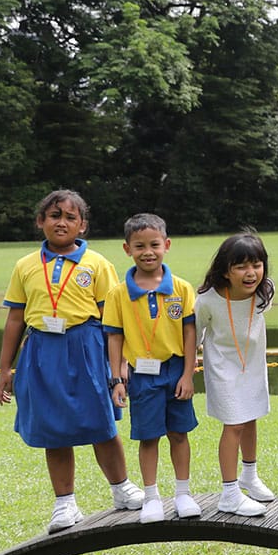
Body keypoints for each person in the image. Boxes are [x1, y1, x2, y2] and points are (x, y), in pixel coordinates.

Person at [0, 189, 144, 533]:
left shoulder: (98, 264)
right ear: (40, 222)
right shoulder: (25, 266)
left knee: (101, 423)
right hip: (41, 351)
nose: (61, 222)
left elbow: (114, 321)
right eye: (54, 215)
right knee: (53, 429)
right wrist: (5, 368)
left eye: (70, 217)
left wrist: (119, 367)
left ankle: (121, 488)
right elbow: (15, 319)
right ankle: (65, 503)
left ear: (83, 226)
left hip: (87, 347)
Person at [104, 213, 200, 524]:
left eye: (154, 244)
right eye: (139, 246)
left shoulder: (182, 289)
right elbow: (115, 338)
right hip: (142, 375)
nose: (148, 251)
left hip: (175, 371)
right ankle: (152, 496)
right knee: (148, 436)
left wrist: (188, 373)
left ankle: (183, 493)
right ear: (126, 249)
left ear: (167, 245)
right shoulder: (118, 294)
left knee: (179, 433)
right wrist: (117, 379)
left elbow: (189, 334)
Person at [194, 231, 278, 517]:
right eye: (241, 266)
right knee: (234, 424)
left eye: (256, 264)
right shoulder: (207, 299)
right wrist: (190, 360)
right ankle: (229, 493)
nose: (250, 272)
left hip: (252, 366)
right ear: (225, 271)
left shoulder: (266, 292)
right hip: (222, 368)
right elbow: (195, 330)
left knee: (250, 416)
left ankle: (249, 476)